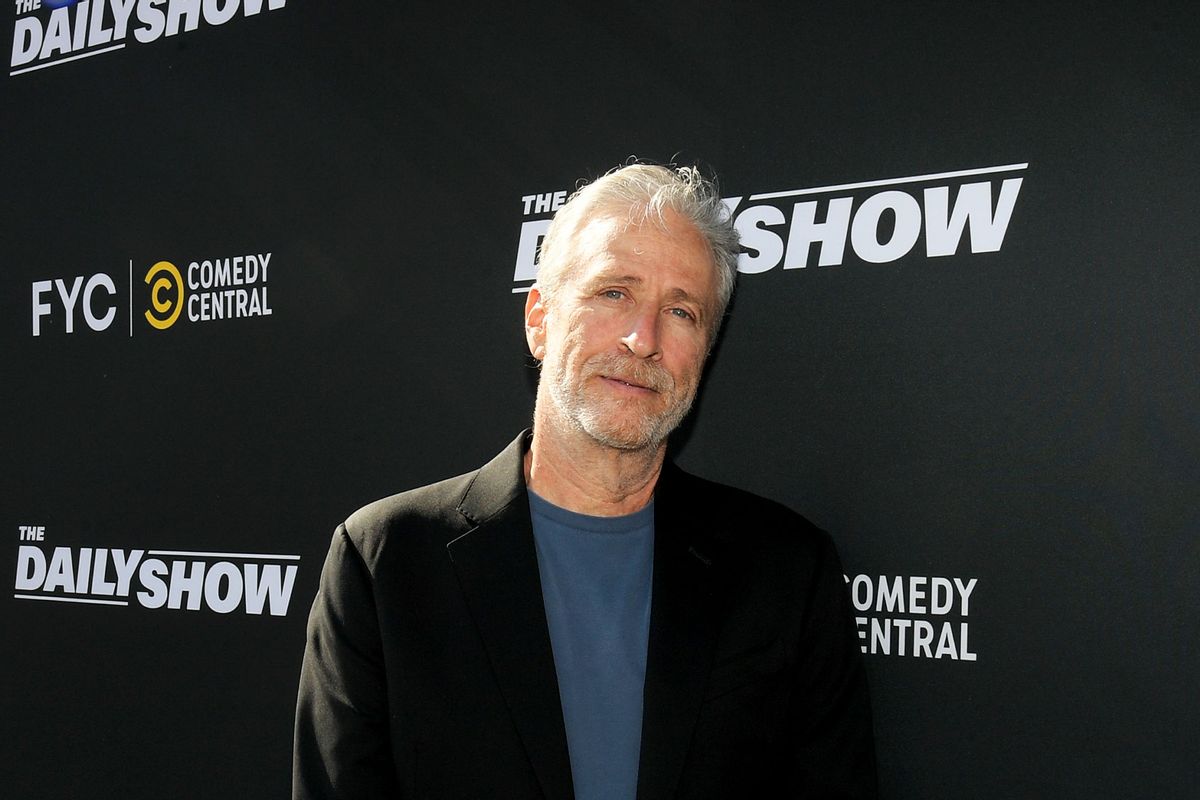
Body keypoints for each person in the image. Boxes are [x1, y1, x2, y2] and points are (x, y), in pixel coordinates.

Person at [293, 163, 877, 799]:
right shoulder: (386, 563)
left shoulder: (787, 571)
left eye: (680, 310)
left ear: (705, 350)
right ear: (539, 319)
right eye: (614, 293)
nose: (642, 339)